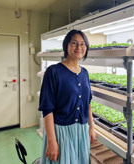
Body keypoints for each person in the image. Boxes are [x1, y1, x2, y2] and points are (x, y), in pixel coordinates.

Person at [38, 29, 95, 164]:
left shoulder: (85, 73)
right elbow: (47, 109)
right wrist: (52, 141)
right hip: (60, 132)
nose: (79, 47)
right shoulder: (53, 72)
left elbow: (87, 103)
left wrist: (91, 126)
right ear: (66, 46)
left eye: (82, 44)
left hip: (80, 131)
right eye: (74, 43)